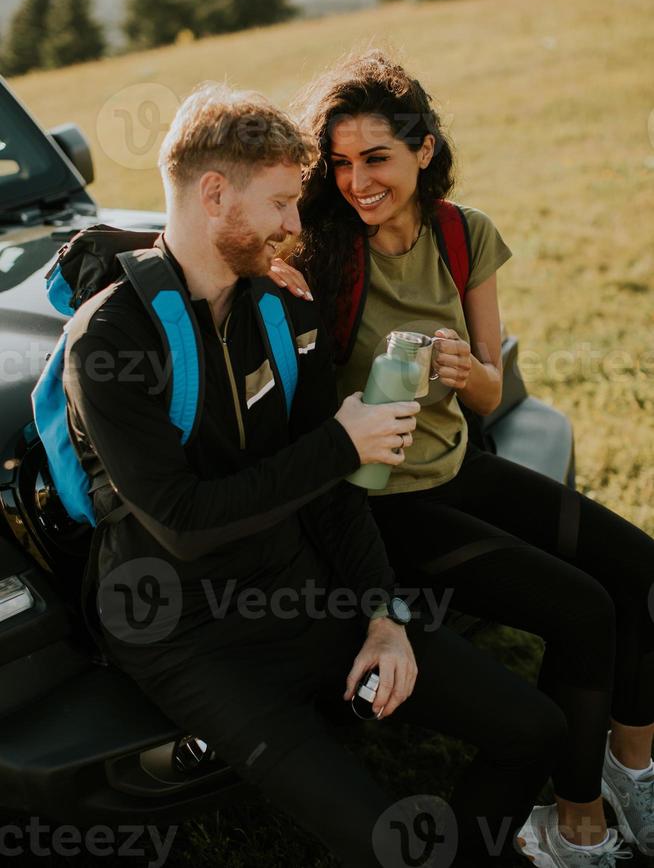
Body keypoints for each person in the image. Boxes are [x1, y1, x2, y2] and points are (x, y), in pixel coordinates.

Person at [63, 83, 569, 868]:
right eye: (280, 205)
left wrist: (381, 615)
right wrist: (342, 442)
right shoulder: (108, 340)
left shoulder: (283, 309)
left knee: (535, 728)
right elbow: (185, 522)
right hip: (191, 634)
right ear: (213, 193)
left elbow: (330, 494)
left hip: (303, 586)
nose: (296, 227)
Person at [269, 51, 654, 865]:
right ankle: (573, 824)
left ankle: (631, 768)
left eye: (376, 158)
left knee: (639, 569)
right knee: (583, 610)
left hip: (458, 465)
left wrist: (468, 371)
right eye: (338, 163)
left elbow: (488, 394)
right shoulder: (320, 251)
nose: (356, 182)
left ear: (424, 150)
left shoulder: (462, 232)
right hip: (379, 501)